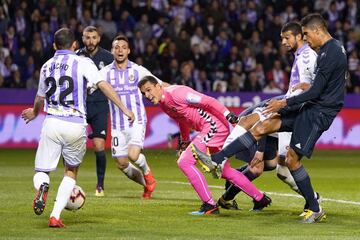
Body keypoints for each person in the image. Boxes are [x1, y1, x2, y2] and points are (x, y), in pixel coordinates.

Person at [192, 13, 348, 223]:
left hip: (319, 111)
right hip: (309, 105)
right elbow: (316, 87)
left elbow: (317, 91)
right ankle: (217, 159)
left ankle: (314, 205)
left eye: (307, 34)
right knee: (262, 125)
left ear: (318, 30)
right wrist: (302, 89)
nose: (306, 39)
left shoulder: (328, 54)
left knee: (290, 161)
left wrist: (285, 102)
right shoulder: (330, 50)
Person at [21, 28, 134, 228]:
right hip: (75, 125)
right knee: (71, 172)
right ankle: (55, 216)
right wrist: (123, 108)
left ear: (54, 46)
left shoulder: (46, 66)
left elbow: (40, 97)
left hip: (52, 122)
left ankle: (43, 186)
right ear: (74, 44)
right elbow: (103, 85)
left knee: (41, 171)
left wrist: (34, 113)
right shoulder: (83, 62)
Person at [218, 22, 321, 211]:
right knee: (274, 167)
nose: (283, 42)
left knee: (274, 165)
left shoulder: (306, 56)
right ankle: (313, 200)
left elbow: (307, 89)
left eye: (287, 37)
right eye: (282, 38)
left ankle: (223, 167)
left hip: (295, 113)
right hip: (290, 112)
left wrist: (286, 103)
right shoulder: (301, 56)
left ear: (299, 37)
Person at [138, 76, 271, 215]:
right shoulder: (163, 103)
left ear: (158, 86)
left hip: (214, 126)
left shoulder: (178, 93)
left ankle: (209, 205)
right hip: (210, 128)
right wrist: (184, 141)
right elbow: (182, 119)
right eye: (143, 93)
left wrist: (228, 114)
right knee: (225, 170)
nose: (147, 95)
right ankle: (260, 199)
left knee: (185, 162)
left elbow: (209, 101)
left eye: (148, 90)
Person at [99, 35, 159, 199]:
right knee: (121, 163)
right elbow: (90, 85)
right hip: (118, 125)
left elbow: (157, 83)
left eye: (123, 47)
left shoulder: (138, 70)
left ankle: (147, 173)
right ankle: (147, 185)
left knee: (133, 155)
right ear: (112, 50)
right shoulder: (104, 73)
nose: (120, 50)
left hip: (136, 120)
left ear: (129, 51)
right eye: (116, 47)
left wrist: (176, 91)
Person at [77, 26, 114, 197]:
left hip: (99, 106)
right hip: (80, 106)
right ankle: (70, 182)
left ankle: (100, 185)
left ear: (98, 39)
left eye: (93, 37)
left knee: (99, 146)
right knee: (73, 145)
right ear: (83, 38)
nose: (90, 41)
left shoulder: (108, 57)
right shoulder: (76, 56)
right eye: (87, 37)